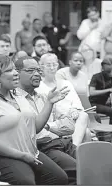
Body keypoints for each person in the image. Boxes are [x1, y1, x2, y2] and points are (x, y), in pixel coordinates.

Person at [0, 54, 69, 185]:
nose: (15, 73)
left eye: (14, 69)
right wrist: (21, 155)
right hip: (3, 156)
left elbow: (34, 128)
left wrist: (49, 103)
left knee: (59, 178)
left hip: (31, 153)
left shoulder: (18, 96)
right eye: (9, 70)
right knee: (25, 181)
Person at [14, 56, 77, 184]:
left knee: (97, 163)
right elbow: (31, 130)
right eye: (31, 70)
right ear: (17, 73)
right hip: (44, 147)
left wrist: (47, 125)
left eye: (38, 70)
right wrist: (54, 126)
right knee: (78, 170)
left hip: (63, 143)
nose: (37, 74)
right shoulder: (15, 100)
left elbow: (70, 126)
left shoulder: (45, 97)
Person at [36, 53, 91, 145]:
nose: (52, 67)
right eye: (48, 65)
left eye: (54, 64)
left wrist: (74, 110)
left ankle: (74, 147)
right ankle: (75, 149)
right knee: (86, 132)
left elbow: (77, 104)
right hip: (53, 122)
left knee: (84, 115)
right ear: (41, 67)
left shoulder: (66, 83)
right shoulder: (39, 87)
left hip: (70, 119)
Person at [89, 56, 112, 124]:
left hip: (105, 104)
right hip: (93, 104)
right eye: (106, 65)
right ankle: (110, 131)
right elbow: (91, 92)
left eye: (110, 65)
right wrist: (108, 90)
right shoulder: (96, 77)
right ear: (102, 67)